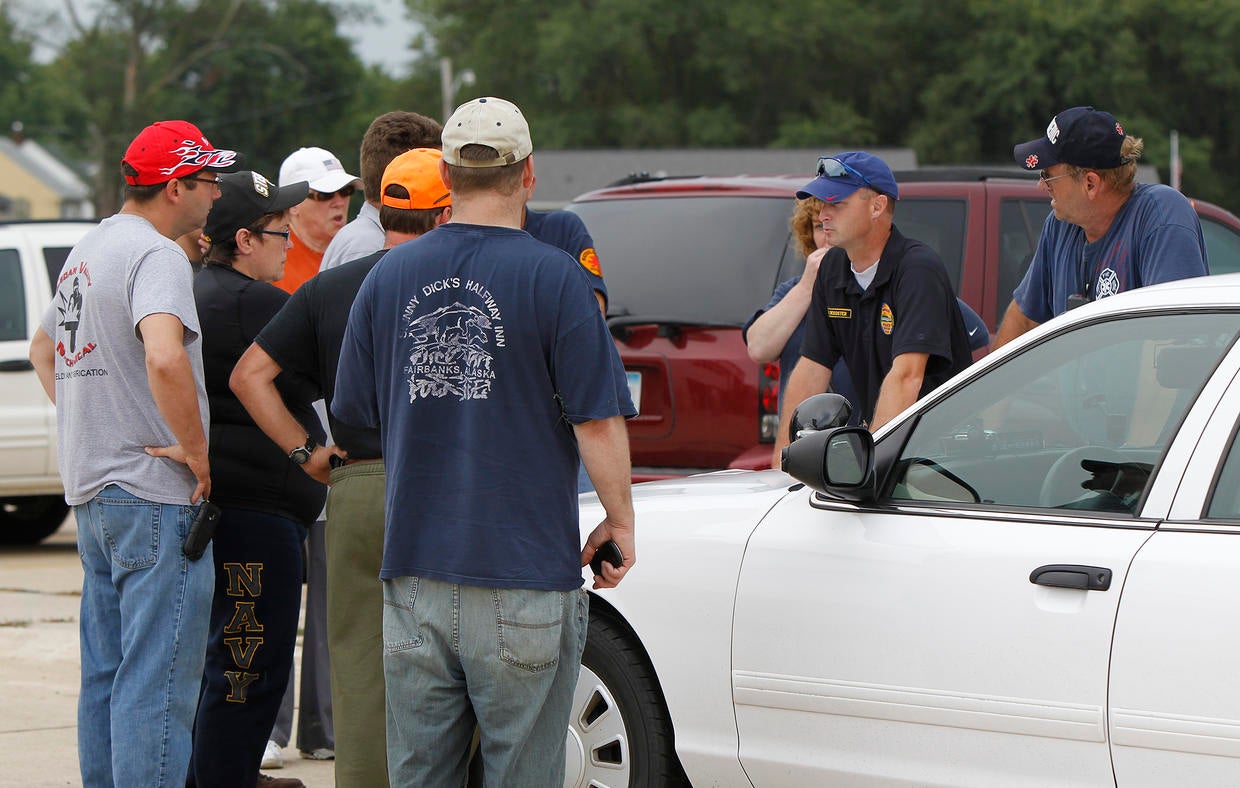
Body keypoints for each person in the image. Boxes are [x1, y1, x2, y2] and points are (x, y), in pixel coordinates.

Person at [332, 96, 636, 785]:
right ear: (527, 174)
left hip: (414, 571)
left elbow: (355, 413)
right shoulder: (557, 276)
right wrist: (619, 521)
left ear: (445, 173)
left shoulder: (386, 278)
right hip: (523, 571)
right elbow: (596, 419)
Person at [231, 147, 453, 788]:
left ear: (381, 208)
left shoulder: (332, 287)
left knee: (358, 665)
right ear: (444, 214)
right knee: (458, 658)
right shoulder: (470, 287)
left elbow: (250, 375)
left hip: (358, 484)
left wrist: (307, 453)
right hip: (445, 484)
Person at [27, 119, 235, 787]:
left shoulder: (87, 249)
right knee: (160, 681)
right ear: (175, 188)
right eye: (208, 181)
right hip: (154, 494)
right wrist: (198, 454)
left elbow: (41, 349)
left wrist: (93, 419)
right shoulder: (156, 255)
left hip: (94, 495)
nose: (216, 194)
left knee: (109, 676)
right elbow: (165, 354)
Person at [187, 170, 329, 788]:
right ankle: (225, 778)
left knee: (226, 654)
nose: (289, 245)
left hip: (223, 510)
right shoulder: (259, 306)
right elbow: (316, 382)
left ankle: (227, 769)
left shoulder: (194, 293)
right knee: (250, 659)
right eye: (279, 233)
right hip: (256, 516)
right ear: (245, 239)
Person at [772, 151, 974, 460]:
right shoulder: (833, 267)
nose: (824, 214)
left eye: (836, 203)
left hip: (941, 455)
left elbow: (907, 377)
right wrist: (783, 462)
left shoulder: (918, 268)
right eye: (823, 204)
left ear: (877, 206)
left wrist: (870, 466)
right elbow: (811, 367)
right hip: (888, 446)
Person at [747, 197, 989, 443]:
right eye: (818, 226)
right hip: (817, 441)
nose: (827, 228)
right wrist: (808, 287)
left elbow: (974, 333)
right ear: (808, 234)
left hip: (878, 434)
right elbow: (758, 347)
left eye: (836, 214)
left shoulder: (908, 279)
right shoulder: (795, 290)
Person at [995, 106, 1208, 349]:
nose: (1041, 186)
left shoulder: (1161, 216)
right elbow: (1023, 319)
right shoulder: (1060, 225)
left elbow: (1170, 341)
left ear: (1090, 183)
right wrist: (988, 387)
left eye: (1047, 175)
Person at [318, 111, 444, 272]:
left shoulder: (366, 238)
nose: (447, 178)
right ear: (401, 173)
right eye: (435, 168)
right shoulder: (368, 248)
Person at [272, 146, 361, 293]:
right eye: (325, 195)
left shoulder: (361, 250)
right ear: (293, 204)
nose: (339, 202)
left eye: (346, 191)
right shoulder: (272, 262)